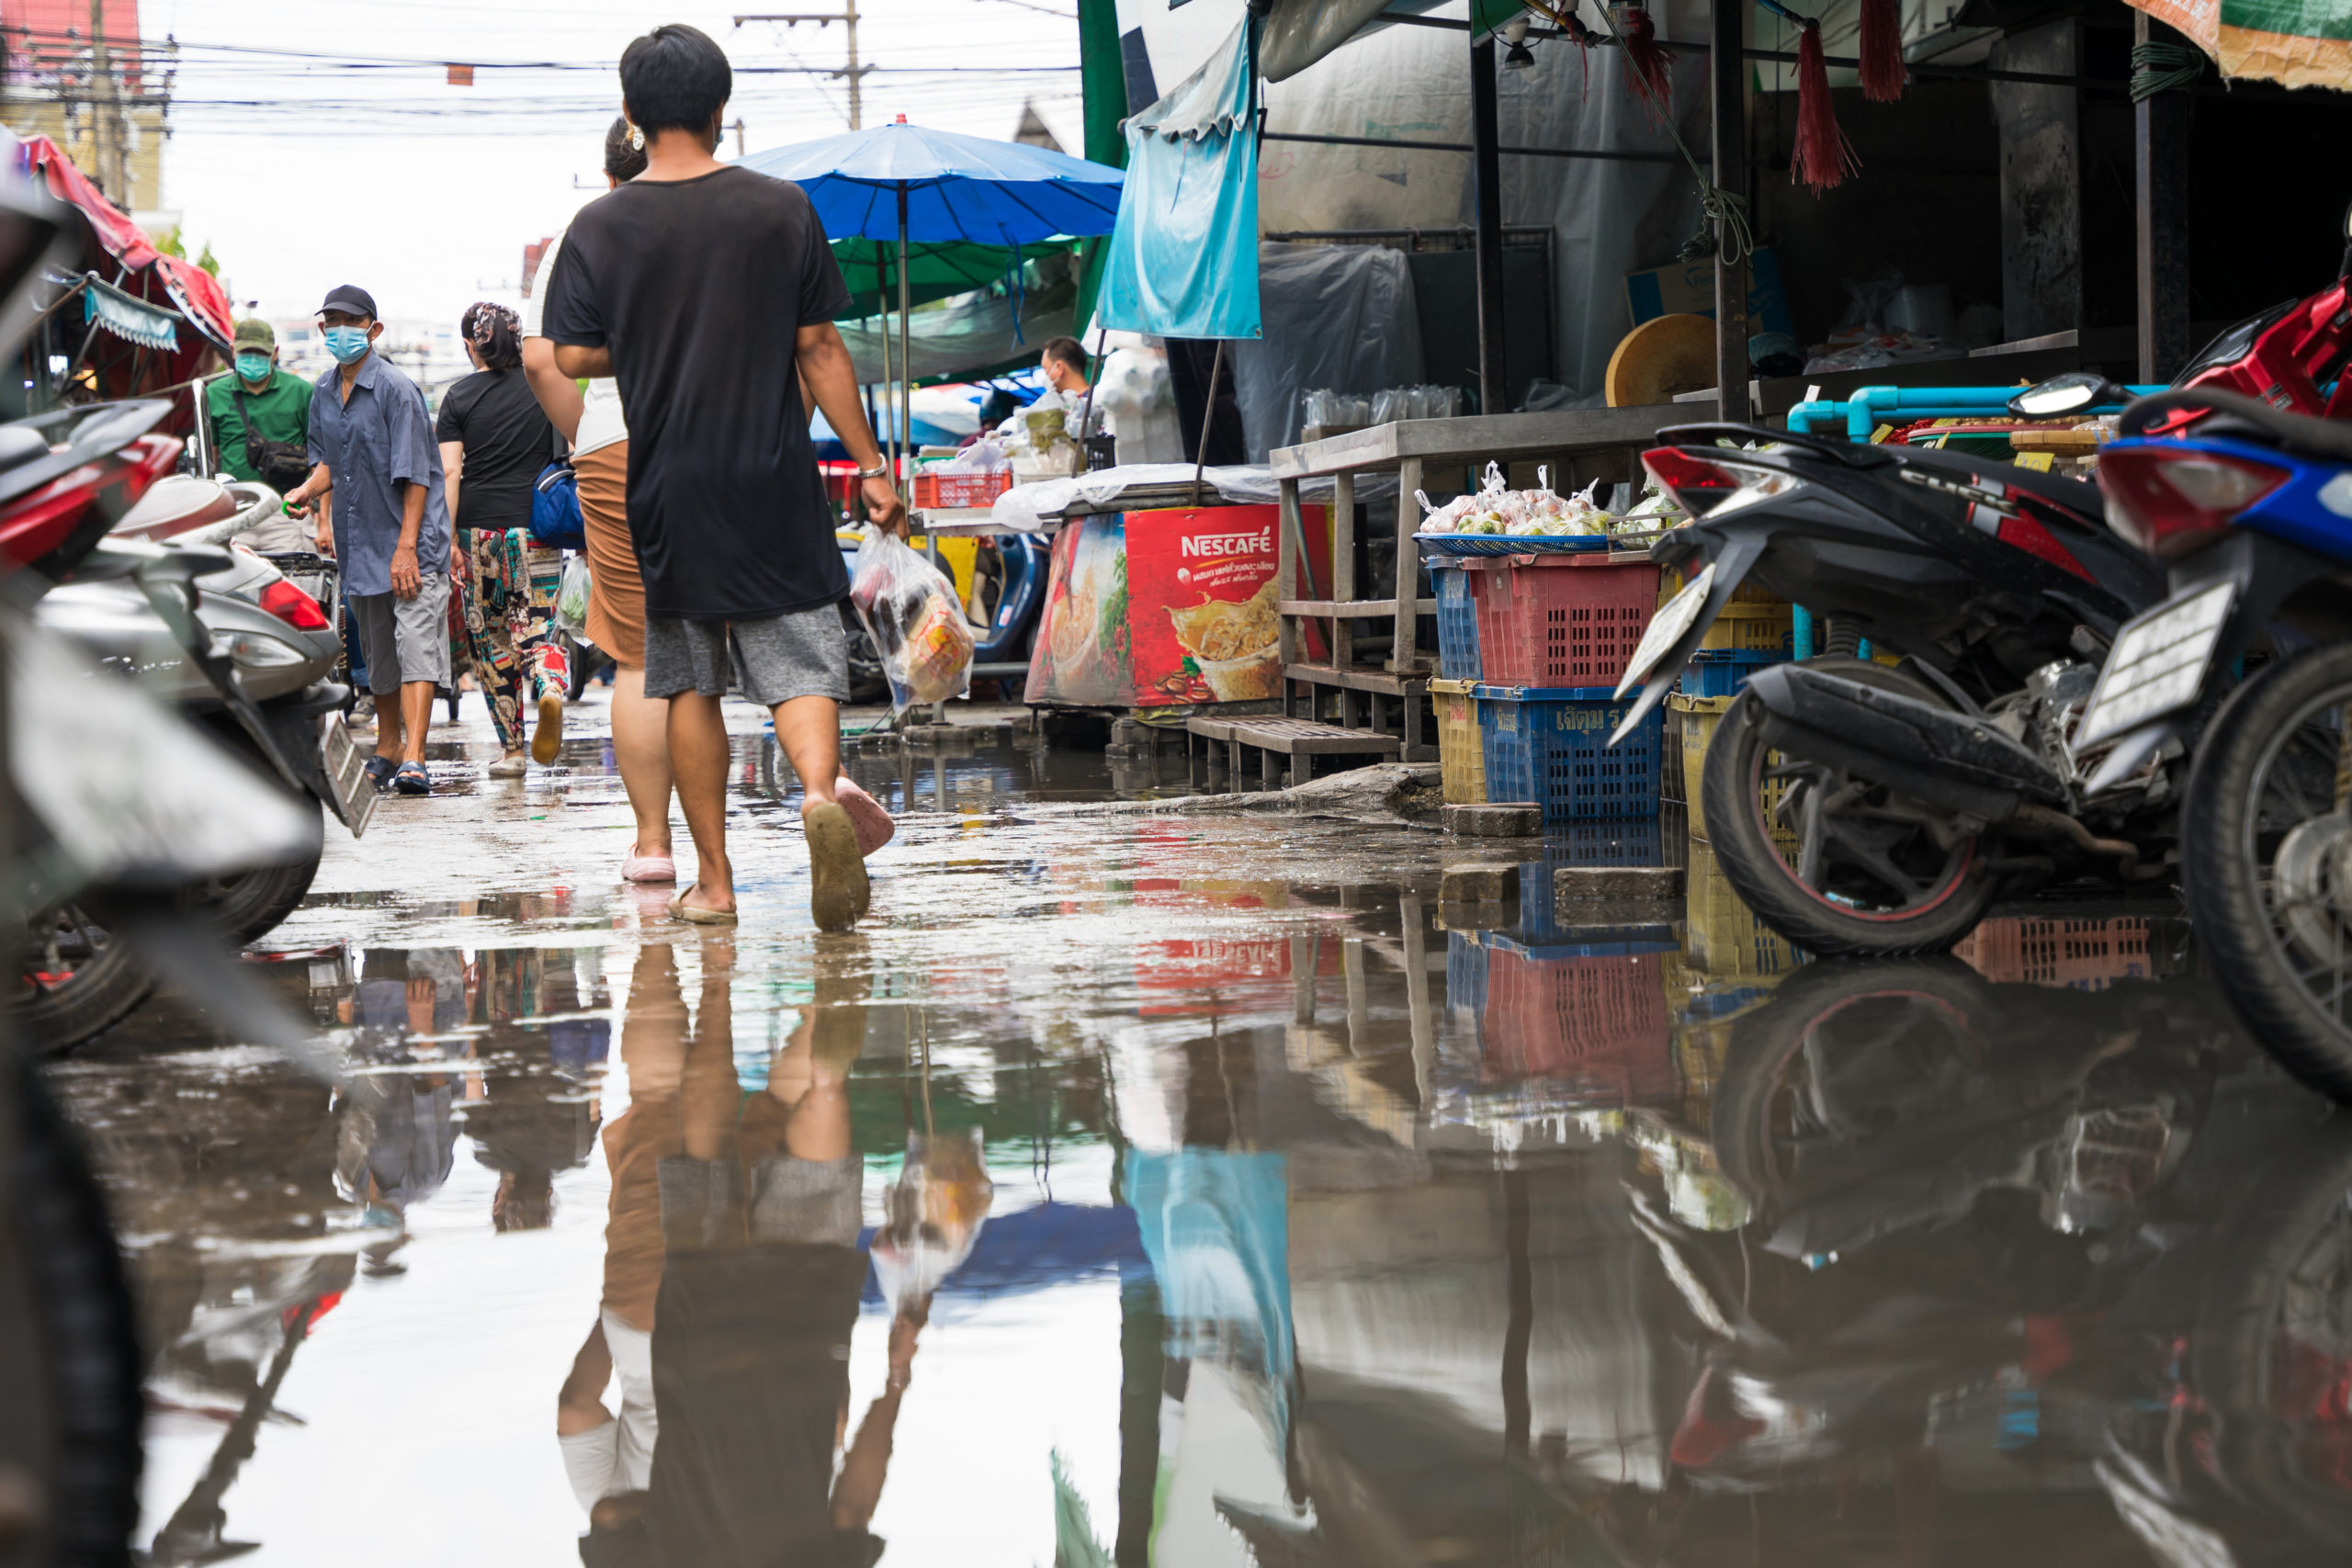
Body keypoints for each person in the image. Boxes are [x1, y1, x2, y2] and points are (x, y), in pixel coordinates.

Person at [540, 28, 905, 929]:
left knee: (689, 683)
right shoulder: (779, 208)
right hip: (772, 475)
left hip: (669, 486)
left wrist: (642, 328)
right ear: (720, 108)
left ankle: (715, 882)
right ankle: (821, 796)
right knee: (798, 662)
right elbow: (820, 347)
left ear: (631, 112)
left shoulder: (600, 224)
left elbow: (571, 353)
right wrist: (869, 466)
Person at [283, 285, 455, 797]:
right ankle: (388, 746)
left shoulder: (397, 391)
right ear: (321, 330)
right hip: (360, 544)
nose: (340, 330)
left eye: (350, 322)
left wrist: (406, 548)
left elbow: (418, 476)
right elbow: (330, 463)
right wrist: (307, 490)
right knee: (378, 653)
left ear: (373, 330)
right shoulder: (321, 392)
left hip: (410, 544)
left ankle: (416, 759)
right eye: (331, 321)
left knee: (416, 645)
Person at [438, 300, 570, 777]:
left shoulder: (457, 398)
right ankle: (551, 685)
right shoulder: (545, 388)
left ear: (472, 345)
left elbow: (451, 470)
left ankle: (513, 751)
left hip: (477, 533)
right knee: (535, 631)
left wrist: (449, 538)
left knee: (490, 640)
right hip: (535, 531)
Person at [206, 317, 313, 492]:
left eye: (261, 352)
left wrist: (321, 512)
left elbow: (321, 454)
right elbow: (210, 454)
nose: (253, 359)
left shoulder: (300, 391)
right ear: (233, 351)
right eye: (247, 352)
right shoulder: (215, 393)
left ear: (275, 353)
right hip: (234, 503)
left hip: (288, 505)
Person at [1038, 334, 1091, 400]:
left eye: (1045, 368)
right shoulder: (1074, 405)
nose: (1045, 375)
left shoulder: (1091, 406)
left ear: (1059, 368)